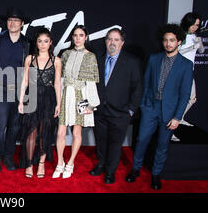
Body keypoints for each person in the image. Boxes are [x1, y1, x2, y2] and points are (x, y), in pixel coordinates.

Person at [125, 24, 193, 190]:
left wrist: (178, 117)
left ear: (179, 42)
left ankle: (156, 174)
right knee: (141, 140)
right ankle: (136, 169)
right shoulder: (154, 59)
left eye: (172, 40)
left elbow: (185, 94)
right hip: (151, 107)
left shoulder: (186, 65)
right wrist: (144, 104)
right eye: (165, 40)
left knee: (162, 144)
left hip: (170, 111)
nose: (168, 43)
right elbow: (146, 83)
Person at [91, 28, 143, 184]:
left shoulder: (132, 62)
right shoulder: (97, 59)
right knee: (100, 141)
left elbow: (138, 88)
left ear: (122, 42)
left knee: (115, 144)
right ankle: (100, 164)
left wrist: (131, 110)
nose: (112, 42)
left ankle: (110, 171)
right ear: (105, 41)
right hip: (99, 110)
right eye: (109, 39)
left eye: (116, 39)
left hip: (120, 113)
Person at [53, 25, 99, 179]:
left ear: (86, 37)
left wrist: (91, 104)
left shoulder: (91, 56)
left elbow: (91, 82)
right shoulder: (65, 54)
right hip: (66, 94)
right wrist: (58, 100)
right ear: (72, 38)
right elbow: (59, 79)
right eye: (75, 35)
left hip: (81, 96)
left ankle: (70, 163)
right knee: (60, 131)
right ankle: (60, 162)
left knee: (76, 132)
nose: (78, 38)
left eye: (81, 35)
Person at [18, 27, 61, 178]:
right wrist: (21, 101)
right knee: (31, 132)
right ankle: (29, 164)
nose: (42, 44)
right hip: (33, 96)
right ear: (36, 43)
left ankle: (41, 164)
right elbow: (25, 81)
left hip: (49, 99)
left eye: (46, 41)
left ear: (51, 43)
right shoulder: (30, 59)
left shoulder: (56, 61)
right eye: (40, 41)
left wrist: (59, 104)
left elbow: (57, 83)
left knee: (45, 132)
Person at [0, 7, 30, 172]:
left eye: (16, 21)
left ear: (21, 24)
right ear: (7, 22)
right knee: (0, 127)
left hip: (19, 92)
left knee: (14, 127)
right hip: (0, 89)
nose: (12, 23)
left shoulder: (27, 43)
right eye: (10, 20)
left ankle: (8, 157)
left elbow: (30, 69)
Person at [171, 12, 205, 141]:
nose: (195, 27)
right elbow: (175, 53)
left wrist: (199, 43)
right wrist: (192, 46)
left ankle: (179, 118)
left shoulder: (194, 35)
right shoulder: (181, 35)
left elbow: (201, 51)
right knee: (175, 101)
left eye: (197, 25)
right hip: (179, 71)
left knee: (192, 98)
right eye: (193, 25)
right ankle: (171, 130)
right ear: (188, 23)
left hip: (189, 71)